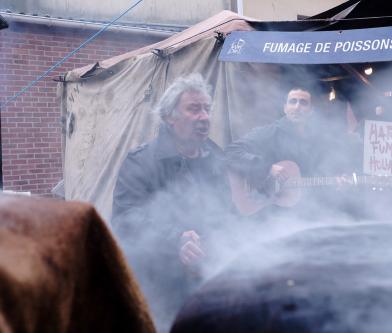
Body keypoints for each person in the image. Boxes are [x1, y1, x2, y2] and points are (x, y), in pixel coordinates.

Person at [111, 73, 231, 331]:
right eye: (193, 109)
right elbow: (126, 219)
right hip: (159, 284)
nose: (204, 117)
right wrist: (175, 239)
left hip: (207, 280)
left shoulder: (217, 158)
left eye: (206, 109)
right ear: (169, 117)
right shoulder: (141, 161)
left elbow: (226, 215)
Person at [225, 86, 362, 219]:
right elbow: (231, 152)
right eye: (293, 101)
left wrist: (335, 183)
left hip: (305, 215)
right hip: (270, 217)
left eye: (303, 103)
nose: (297, 107)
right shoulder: (269, 133)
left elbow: (315, 181)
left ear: (311, 110)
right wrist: (266, 168)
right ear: (285, 108)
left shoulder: (317, 141)